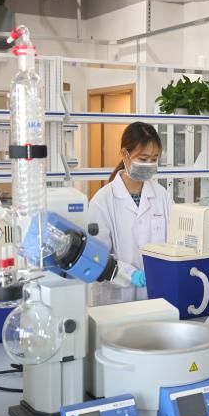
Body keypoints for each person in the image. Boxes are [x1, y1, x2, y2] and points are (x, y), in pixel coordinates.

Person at [87, 122, 173, 306]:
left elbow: (176, 241)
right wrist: (130, 274)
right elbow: (96, 256)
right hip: (116, 301)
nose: (149, 164)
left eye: (154, 159)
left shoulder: (162, 196)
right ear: (125, 155)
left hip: (156, 297)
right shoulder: (102, 201)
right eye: (143, 158)